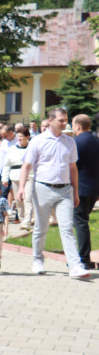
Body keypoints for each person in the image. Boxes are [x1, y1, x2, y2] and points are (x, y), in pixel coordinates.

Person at [18, 107, 91, 279]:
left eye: (66, 120)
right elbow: (26, 166)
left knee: (66, 228)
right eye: (61, 120)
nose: (65, 123)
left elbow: (73, 168)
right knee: (41, 228)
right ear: (50, 121)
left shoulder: (70, 142)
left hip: (65, 190)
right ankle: (37, 260)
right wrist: (21, 188)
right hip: (42, 188)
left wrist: (76, 192)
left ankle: (75, 265)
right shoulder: (38, 141)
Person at [72, 114, 99, 270]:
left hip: (79, 188)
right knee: (83, 221)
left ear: (78, 126)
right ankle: (83, 256)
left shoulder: (75, 143)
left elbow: (71, 166)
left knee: (80, 222)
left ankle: (83, 258)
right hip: (94, 189)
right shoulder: (97, 141)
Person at [3, 127, 31, 225]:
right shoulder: (12, 149)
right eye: (18, 136)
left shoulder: (31, 148)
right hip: (15, 177)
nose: (19, 138)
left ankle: (29, 219)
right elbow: (7, 164)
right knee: (19, 200)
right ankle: (22, 219)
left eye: (21, 136)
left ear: (27, 137)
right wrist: (4, 178)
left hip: (29, 177)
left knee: (28, 198)